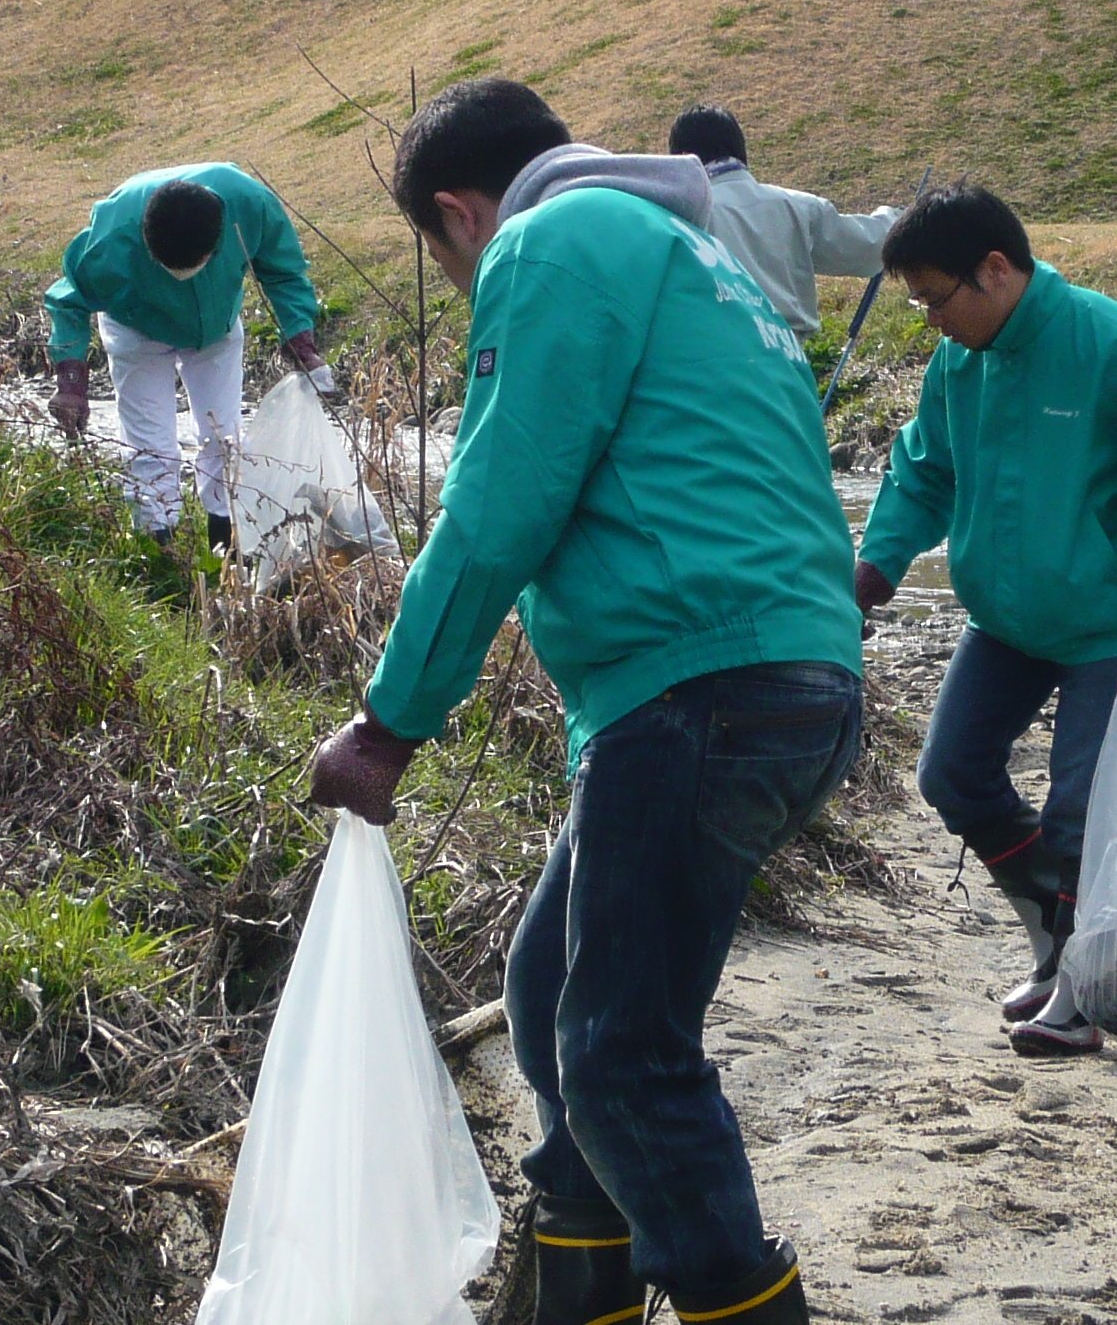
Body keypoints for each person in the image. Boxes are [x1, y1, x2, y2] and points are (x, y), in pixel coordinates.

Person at [307, 79, 863, 1325]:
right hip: (787, 676)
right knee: (554, 986)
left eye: (445, 259)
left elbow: (502, 501)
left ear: (457, 213)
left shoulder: (549, 240)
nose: (463, 281)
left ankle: (733, 1300)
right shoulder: (692, 250)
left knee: (617, 1055)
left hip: (700, 686)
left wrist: (389, 723)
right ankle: (572, 1299)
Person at [853, 182, 1117, 1058]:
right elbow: (923, 476)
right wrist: (868, 578)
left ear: (995, 270)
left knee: (1081, 811)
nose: (931, 321)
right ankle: (1059, 941)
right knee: (952, 774)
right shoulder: (960, 362)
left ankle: (1084, 996)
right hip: (1005, 621)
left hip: (1107, 621)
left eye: (935, 299)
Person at [43, 163, 335, 549]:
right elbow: (68, 301)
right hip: (136, 327)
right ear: (145, 243)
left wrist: (300, 341)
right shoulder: (110, 239)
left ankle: (227, 546)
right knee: (149, 446)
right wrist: (71, 383)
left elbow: (283, 271)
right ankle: (158, 550)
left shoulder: (250, 205)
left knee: (223, 436)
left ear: (217, 247)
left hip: (216, 326)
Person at [667, 104, 897, 339]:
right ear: (740, 149)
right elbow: (868, 248)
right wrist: (898, 218)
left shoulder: (680, 218)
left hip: (719, 359)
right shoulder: (798, 206)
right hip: (790, 361)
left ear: (682, 160)